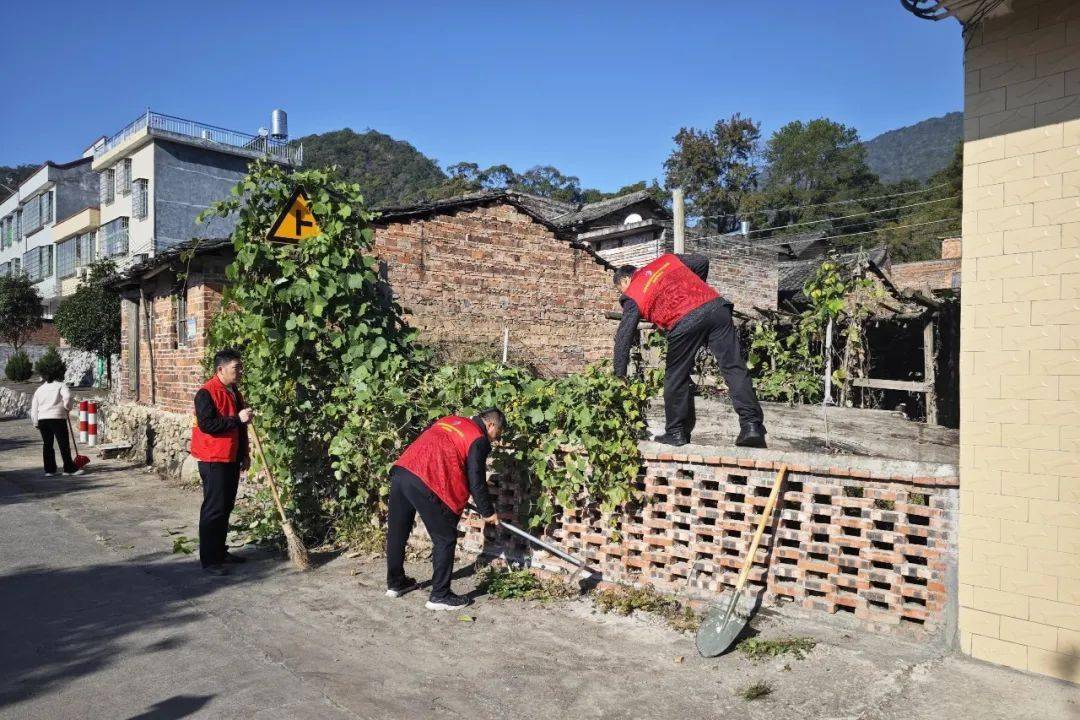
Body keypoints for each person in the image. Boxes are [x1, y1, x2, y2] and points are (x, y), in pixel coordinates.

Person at [612, 253, 767, 448]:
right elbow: (702, 261)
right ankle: (751, 426)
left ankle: (675, 432)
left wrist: (619, 376)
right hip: (716, 307)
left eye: (620, 289)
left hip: (683, 321)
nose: (622, 294)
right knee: (733, 367)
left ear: (626, 279)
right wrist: (694, 297)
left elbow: (624, 336)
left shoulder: (632, 293)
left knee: (675, 377)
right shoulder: (666, 261)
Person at [385, 409, 504, 610]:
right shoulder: (478, 438)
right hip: (425, 480)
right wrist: (487, 511)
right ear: (491, 425)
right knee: (445, 538)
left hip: (402, 471)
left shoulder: (449, 420)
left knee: (397, 532)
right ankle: (439, 595)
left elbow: (435, 448)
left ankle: (396, 584)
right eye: (498, 434)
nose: (496, 440)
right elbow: (476, 480)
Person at [191, 348, 253, 576]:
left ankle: (220, 551)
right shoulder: (206, 393)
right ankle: (209, 560)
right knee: (213, 509)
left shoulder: (233, 391)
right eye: (236, 368)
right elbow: (207, 425)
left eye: (240, 367)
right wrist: (236, 418)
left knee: (226, 506)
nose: (240, 372)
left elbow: (240, 426)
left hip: (230, 456)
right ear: (221, 369)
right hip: (212, 458)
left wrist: (244, 454)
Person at [30, 365, 79, 477]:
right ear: (57, 375)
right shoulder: (61, 386)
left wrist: (35, 422)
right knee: (63, 444)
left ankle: (49, 470)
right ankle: (68, 468)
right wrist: (68, 407)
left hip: (43, 419)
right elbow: (67, 397)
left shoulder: (39, 389)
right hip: (57, 418)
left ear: (44, 377)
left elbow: (34, 408)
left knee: (47, 445)